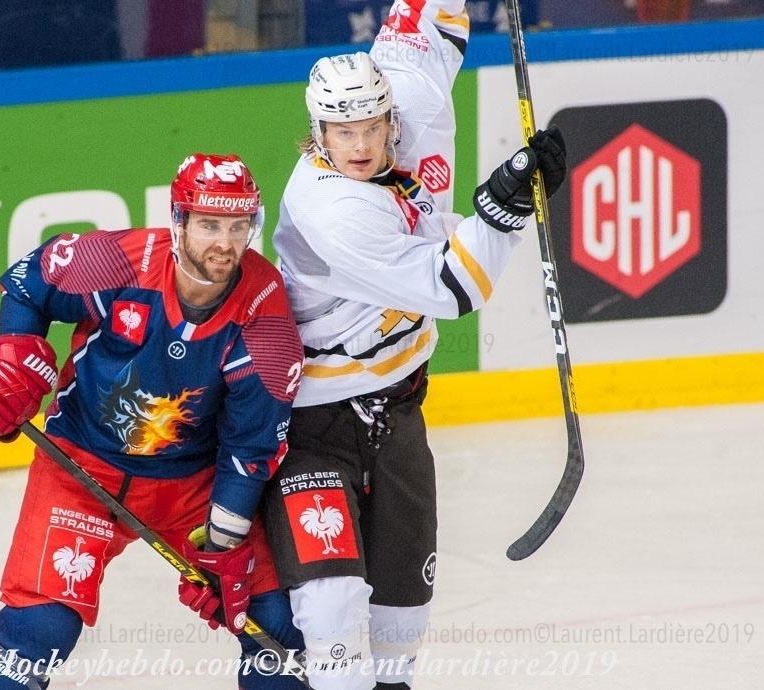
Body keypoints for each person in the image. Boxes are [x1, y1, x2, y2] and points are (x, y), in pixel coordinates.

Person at [262, 2, 568, 689]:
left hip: (399, 409)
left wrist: (515, 189)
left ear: (390, 115)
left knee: (400, 625)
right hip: (313, 426)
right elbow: (454, 286)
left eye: (373, 127)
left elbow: (434, 19)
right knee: (332, 620)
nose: (361, 145)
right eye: (343, 132)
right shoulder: (330, 208)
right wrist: (507, 204)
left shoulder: (410, 92)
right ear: (318, 133)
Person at [0, 153, 306, 689]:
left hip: (189, 485)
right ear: (179, 222)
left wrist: (223, 547)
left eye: (238, 227)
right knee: (39, 631)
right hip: (80, 472)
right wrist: (17, 353)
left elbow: (250, 449)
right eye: (210, 225)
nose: (225, 243)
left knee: (275, 626)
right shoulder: (121, 261)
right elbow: (29, 283)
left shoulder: (265, 317)